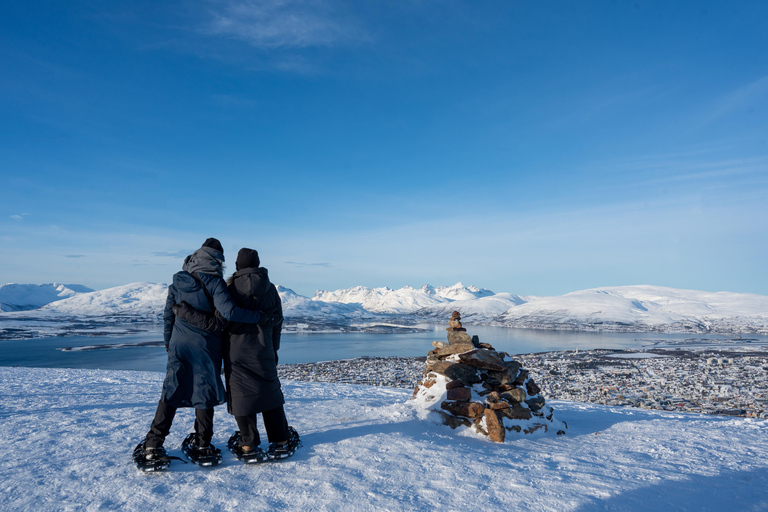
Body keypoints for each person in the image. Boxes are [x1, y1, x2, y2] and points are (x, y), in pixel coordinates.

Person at [139, 238, 262, 467]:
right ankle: (202, 444)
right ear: (217, 260)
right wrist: (257, 317)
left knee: (171, 391)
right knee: (203, 393)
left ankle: (153, 443)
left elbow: (169, 316)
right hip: (206, 346)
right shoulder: (215, 283)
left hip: (179, 344)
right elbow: (229, 312)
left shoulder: (178, 281)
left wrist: (169, 343)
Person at [175, 247, 299, 463]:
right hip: (264, 350)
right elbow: (277, 322)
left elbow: (219, 322)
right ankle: (280, 440)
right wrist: (274, 348)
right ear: (259, 264)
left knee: (242, 395)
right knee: (269, 392)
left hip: (236, 352)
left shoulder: (229, 290)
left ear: (236, 267)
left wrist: (186, 314)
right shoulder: (270, 290)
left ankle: (248, 443)